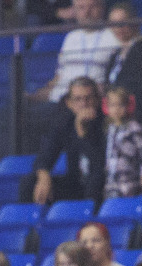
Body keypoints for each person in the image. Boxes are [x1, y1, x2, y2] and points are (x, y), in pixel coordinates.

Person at [35, 0, 119, 104]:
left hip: (89, 101)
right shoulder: (70, 37)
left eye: (92, 7)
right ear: (74, 10)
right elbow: (59, 76)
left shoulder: (114, 37)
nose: (87, 13)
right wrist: (33, 96)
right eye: (81, 8)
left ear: (102, 8)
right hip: (59, 100)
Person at [31, 77, 105, 205]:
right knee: (30, 183)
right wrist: (44, 177)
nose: (84, 104)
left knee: (94, 181)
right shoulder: (64, 122)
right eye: (78, 99)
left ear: (97, 100)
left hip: (100, 186)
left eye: (88, 98)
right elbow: (45, 156)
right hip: (75, 184)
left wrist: (82, 132)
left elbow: (99, 165)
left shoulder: (106, 123)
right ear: (69, 103)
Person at [102, 6, 142, 127]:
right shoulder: (115, 54)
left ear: (134, 23)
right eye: (114, 24)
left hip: (135, 108)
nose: (118, 28)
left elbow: (141, 81)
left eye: (123, 23)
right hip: (114, 109)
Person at [101, 85, 142, 201]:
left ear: (129, 106)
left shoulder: (134, 129)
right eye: (112, 105)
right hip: (111, 182)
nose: (116, 109)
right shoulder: (107, 130)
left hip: (130, 181)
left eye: (120, 105)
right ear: (106, 107)